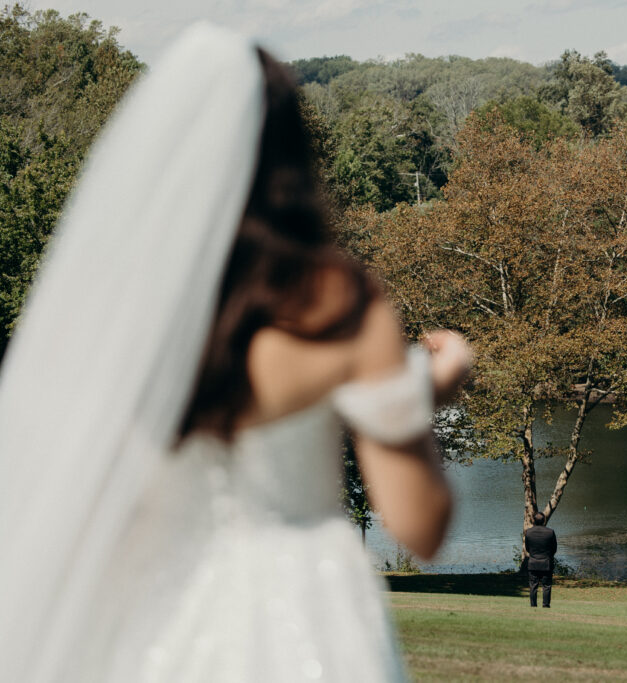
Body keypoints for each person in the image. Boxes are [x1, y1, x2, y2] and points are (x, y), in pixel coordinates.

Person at [0, 23, 470, 682]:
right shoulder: (336, 304)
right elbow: (419, 525)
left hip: (157, 623)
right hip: (309, 621)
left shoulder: (124, 318)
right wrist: (422, 390)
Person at [524, 512, 558, 608]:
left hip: (533, 563)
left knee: (533, 585)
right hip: (546, 563)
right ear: (544, 520)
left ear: (533, 520)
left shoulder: (529, 532)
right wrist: (548, 556)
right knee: (546, 586)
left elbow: (527, 548)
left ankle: (533, 605)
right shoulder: (550, 532)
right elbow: (554, 549)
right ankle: (546, 605)